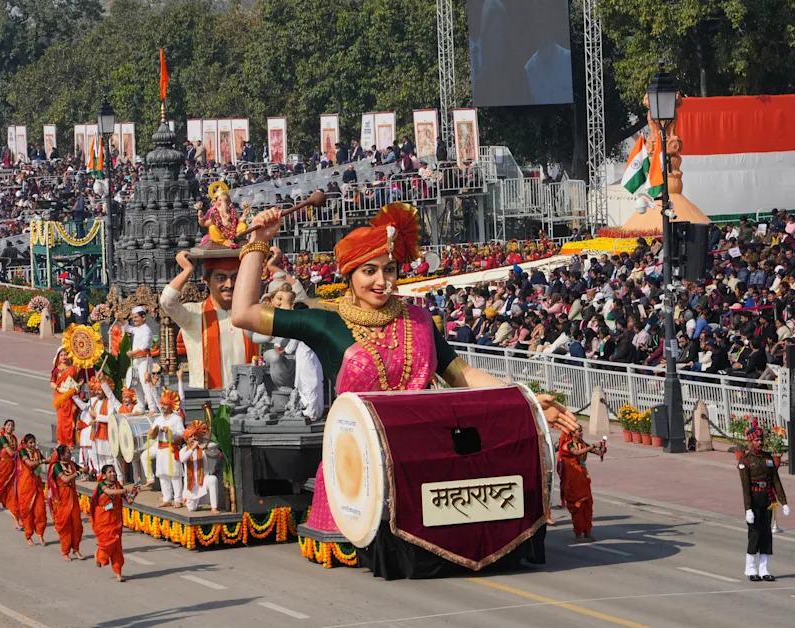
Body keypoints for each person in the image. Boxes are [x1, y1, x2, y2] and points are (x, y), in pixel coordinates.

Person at [232, 201, 577, 578]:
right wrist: (258, 244)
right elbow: (244, 314)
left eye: (390, 269)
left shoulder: (419, 318)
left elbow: (459, 374)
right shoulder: (325, 323)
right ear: (348, 275)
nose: (383, 281)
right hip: (359, 477)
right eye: (369, 271)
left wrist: (522, 398)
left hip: (423, 463)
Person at [160, 251, 258, 389]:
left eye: (235, 277)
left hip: (250, 397)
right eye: (220, 278)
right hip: (208, 401)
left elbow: (295, 302)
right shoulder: (193, 313)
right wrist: (188, 270)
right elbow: (167, 301)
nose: (229, 284)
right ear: (206, 281)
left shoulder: (252, 314)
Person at [739, 419, 790, 581]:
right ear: (750, 441)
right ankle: (750, 569)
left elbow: (775, 480)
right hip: (754, 498)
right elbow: (745, 487)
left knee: (767, 534)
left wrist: (784, 502)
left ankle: (764, 569)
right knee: (755, 533)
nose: (759, 442)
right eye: (756, 440)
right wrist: (747, 508)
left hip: (767, 498)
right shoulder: (745, 460)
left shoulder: (768, 458)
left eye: (760, 439)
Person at [90, 464, 138, 582]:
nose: (113, 474)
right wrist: (126, 489)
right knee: (107, 545)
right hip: (103, 519)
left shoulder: (118, 485)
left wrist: (134, 493)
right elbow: (110, 493)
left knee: (117, 547)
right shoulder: (102, 484)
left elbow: (129, 501)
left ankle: (118, 573)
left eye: (114, 471)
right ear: (104, 475)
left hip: (116, 519)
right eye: (110, 472)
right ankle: (98, 554)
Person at [47, 445, 85, 561]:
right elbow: (65, 479)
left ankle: (76, 549)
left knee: (77, 525)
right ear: (62, 455)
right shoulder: (56, 466)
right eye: (68, 452)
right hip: (61, 498)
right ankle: (65, 551)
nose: (71, 454)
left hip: (72, 497)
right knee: (65, 526)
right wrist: (79, 473)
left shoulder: (71, 464)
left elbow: (82, 469)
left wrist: (88, 470)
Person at [558, 427, 596, 542]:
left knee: (588, 505)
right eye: (579, 431)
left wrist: (600, 450)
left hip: (583, 478)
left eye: (581, 431)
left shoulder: (582, 443)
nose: (582, 433)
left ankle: (588, 531)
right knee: (577, 506)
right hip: (572, 480)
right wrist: (593, 446)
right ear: (573, 434)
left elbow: (591, 450)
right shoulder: (568, 445)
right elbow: (577, 452)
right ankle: (578, 533)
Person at [149, 388, 185, 507]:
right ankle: (167, 498)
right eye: (162, 404)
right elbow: (153, 434)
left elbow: (182, 434)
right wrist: (152, 432)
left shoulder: (177, 419)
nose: (163, 407)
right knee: (163, 474)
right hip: (161, 449)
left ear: (170, 406)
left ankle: (178, 499)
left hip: (171, 448)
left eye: (165, 404)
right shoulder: (158, 419)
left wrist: (170, 431)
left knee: (175, 475)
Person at [0, 419, 21, 529]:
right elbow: (11, 453)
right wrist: (24, 452)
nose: (10, 427)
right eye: (8, 425)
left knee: (14, 495)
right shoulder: (2, 439)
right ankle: (16, 518)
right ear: (4, 426)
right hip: (3, 469)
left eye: (12, 425)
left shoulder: (14, 438)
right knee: (6, 493)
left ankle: (16, 521)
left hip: (13, 469)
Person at [179, 421, 219, 513]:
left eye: (195, 435)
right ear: (187, 439)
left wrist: (204, 446)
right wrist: (193, 448)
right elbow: (182, 459)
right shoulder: (183, 450)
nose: (193, 438)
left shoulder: (202, 449)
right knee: (192, 509)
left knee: (212, 479)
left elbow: (215, 445)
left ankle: (214, 507)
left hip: (203, 480)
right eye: (191, 436)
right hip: (192, 484)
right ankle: (191, 502)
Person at [124, 306, 158, 412]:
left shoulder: (147, 330)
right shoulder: (137, 329)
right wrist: (121, 319)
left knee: (145, 382)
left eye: (136, 317)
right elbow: (128, 328)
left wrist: (133, 352)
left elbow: (145, 345)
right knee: (136, 383)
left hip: (144, 359)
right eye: (133, 318)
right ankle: (141, 406)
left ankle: (152, 407)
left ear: (143, 317)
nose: (134, 319)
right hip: (136, 360)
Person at [17, 434, 48, 546]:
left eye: (33, 442)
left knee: (40, 511)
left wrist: (55, 456)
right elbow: (29, 464)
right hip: (26, 485)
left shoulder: (37, 452)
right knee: (28, 513)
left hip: (37, 484)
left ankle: (40, 534)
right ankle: (28, 536)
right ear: (25, 444)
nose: (33, 444)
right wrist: (42, 462)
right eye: (30, 442)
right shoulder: (22, 452)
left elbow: (46, 461)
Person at [50, 349, 81, 447]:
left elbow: (80, 379)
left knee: (71, 420)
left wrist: (77, 386)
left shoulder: (74, 368)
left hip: (71, 398)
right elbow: (52, 382)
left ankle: (70, 442)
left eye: (66, 355)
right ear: (58, 357)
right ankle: (61, 442)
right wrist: (59, 389)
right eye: (61, 355)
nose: (64, 357)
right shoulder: (56, 370)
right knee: (61, 421)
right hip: (61, 398)